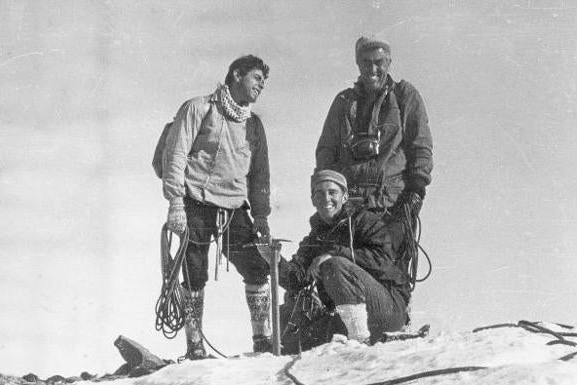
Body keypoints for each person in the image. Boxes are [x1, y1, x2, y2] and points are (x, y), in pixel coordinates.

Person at [162, 55, 273, 359]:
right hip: (195, 203)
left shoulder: (254, 125)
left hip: (234, 208)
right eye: (256, 78)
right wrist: (175, 203)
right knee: (193, 273)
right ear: (236, 75)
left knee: (257, 267)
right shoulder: (198, 108)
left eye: (263, 81)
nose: (261, 86)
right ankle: (195, 345)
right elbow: (175, 155)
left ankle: (262, 341)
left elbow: (260, 175)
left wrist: (261, 216)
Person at [315, 36, 433, 291]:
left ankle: (397, 323)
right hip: (351, 208)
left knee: (390, 270)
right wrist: (326, 191)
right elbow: (326, 151)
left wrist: (416, 191)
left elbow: (420, 145)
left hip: (392, 204)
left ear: (389, 62)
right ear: (358, 64)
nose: (373, 69)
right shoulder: (343, 102)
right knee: (347, 267)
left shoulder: (404, 96)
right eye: (366, 62)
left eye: (379, 62)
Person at [277, 170, 411, 345]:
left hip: (387, 309)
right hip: (346, 314)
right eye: (319, 193)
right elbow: (297, 279)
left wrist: (335, 253)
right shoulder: (316, 236)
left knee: (334, 265)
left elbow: (383, 260)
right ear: (312, 200)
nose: (326, 198)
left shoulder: (364, 220)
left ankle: (360, 341)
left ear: (345, 197)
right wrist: (274, 260)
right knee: (292, 343)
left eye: (332, 193)